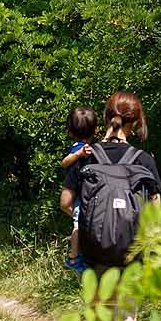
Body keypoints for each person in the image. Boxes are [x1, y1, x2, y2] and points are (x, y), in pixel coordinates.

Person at [59, 91, 161, 321]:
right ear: (137, 122)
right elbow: (156, 213)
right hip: (131, 252)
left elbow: (66, 202)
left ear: (105, 118)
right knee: (127, 320)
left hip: (95, 252)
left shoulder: (86, 156)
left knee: (100, 319)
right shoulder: (143, 160)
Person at [59, 107, 101, 273]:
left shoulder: (92, 149)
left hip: (83, 195)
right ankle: (73, 258)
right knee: (78, 224)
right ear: (96, 130)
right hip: (78, 195)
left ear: (69, 131)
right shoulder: (78, 148)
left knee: (81, 223)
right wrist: (78, 154)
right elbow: (65, 162)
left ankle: (79, 255)